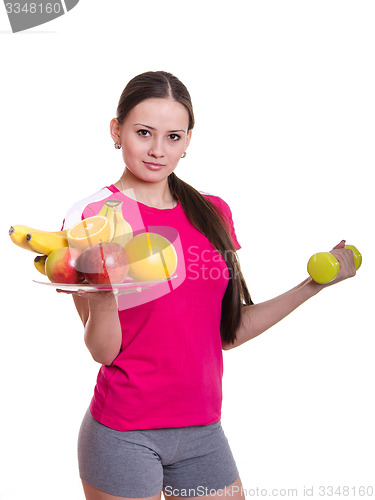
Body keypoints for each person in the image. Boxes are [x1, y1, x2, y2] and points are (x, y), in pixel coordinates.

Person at [57, 71, 358, 500]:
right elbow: (103, 352)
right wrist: (104, 289)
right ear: (116, 130)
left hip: (203, 432)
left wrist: (312, 286)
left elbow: (228, 332)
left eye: (173, 137)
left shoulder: (211, 213)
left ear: (188, 140)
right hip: (124, 431)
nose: (158, 150)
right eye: (144, 133)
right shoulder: (94, 217)